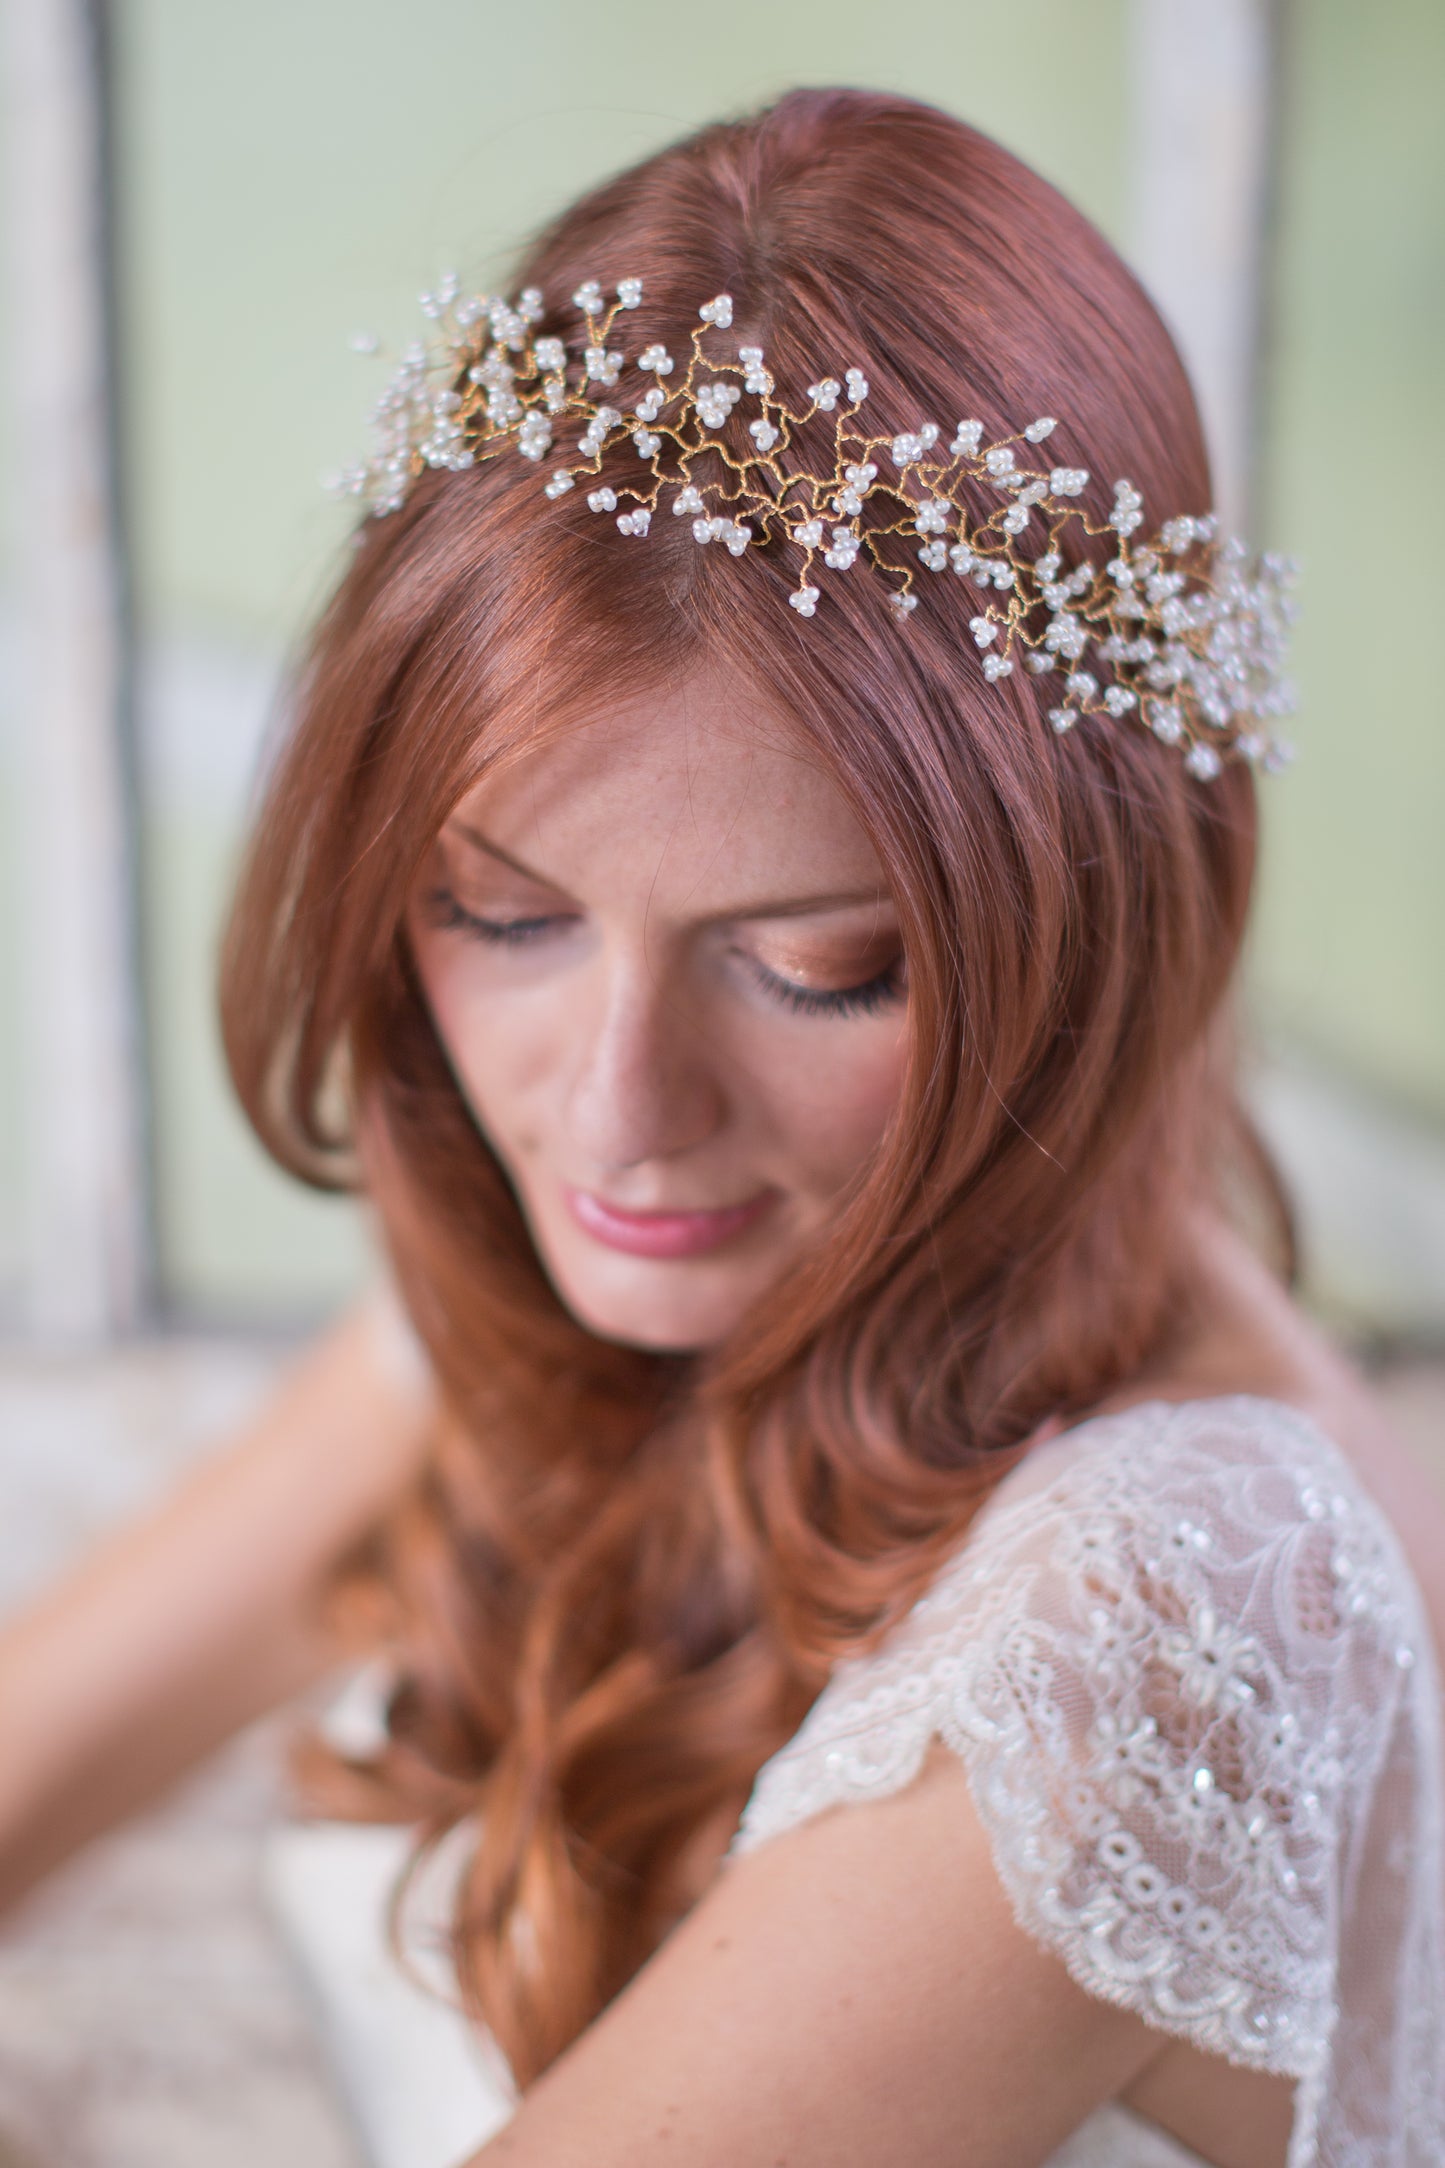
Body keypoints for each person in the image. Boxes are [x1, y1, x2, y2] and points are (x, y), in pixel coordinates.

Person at [2, 85, 1442, 2168]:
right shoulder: (638, 1269)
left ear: (1094, 934)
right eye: (500, 915)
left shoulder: (1167, 1616)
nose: (616, 1112)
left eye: (822, 962)